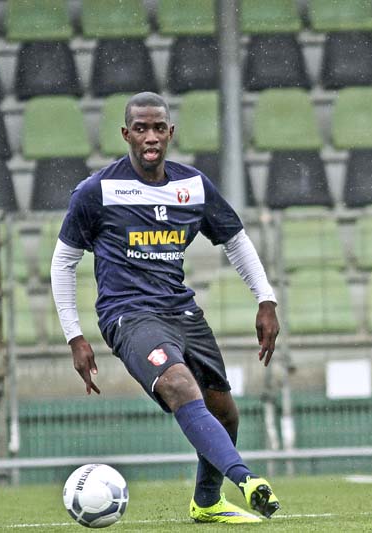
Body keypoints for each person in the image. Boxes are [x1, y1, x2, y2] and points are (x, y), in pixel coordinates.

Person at [50, 92, 280, 524]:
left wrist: (266, 299)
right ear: (126, 134)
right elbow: (64, 260)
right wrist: (74, 336)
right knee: (178, 384)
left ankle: (208, 502)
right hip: (128, 315)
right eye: (141, 128)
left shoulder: (192, 186)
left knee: (225, 412)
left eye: (158, 128)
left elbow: (235, 239)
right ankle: (247, 480)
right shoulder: (97, 191)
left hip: (181, 311)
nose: (150, 137)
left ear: (170, 132)